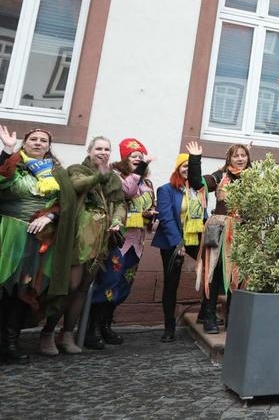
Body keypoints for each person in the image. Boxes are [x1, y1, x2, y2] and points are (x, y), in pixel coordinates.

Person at [0, 126, 77, 368]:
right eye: (33, 139)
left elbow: (66, 204)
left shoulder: (57, 173)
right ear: (25, 142)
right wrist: (7, 151)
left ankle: (9, 345)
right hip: (6, 234)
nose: (38, 143)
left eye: (43, 140)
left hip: (37, 240)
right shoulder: (13, 163)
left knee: (24, 291)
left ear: (49, 146)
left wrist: (49, 216)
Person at [40, 136, 124, 355]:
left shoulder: (113, 178)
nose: (103, 152)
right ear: (89, 150)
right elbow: (77, 186)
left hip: (101, 237)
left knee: (83, 288)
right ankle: (47, 332)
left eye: (107, 149)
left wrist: (117, 220)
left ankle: (66, 334)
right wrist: (99, 176)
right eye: (99, 148)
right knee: (70, 286)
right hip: (79, 235)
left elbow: (119, 203)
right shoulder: (77, 169)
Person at [85, 138, 156, 348]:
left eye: (141, 158)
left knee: (124, 285)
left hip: (137, 241)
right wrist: (140, 169)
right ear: (125, 158)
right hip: (118, 240)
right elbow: (127, 191)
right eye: (134, 157)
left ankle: (106, 325)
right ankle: (92, 329)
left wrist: (151, 214)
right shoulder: (117, 176)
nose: (138, 160)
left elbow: (148, 202)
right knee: (108, 282)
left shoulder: (148, 182)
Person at [189, 143, 248, 334]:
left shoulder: (254, 180)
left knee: (237, 276)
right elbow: (197, 183)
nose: (240, 159)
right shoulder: (220, 176)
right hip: (220, 229)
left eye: (243, 155)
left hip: (243, 233)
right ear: (229, 159)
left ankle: (233, 317)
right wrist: (195, 159)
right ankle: (209, 316)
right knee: (214, 273)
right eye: (235, 156)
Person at [152, 147, 208, 342]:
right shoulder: (166, 190)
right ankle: (169, 327)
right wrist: (178, 244)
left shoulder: (198, 190)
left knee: (212, 272)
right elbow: (166, 219)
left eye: (189, 166)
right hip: (172, 241)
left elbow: (203, 216)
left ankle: (206, 314)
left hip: (194, 239)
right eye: (183, 166)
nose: (186, 169)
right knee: (171, 284)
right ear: (177, 168)